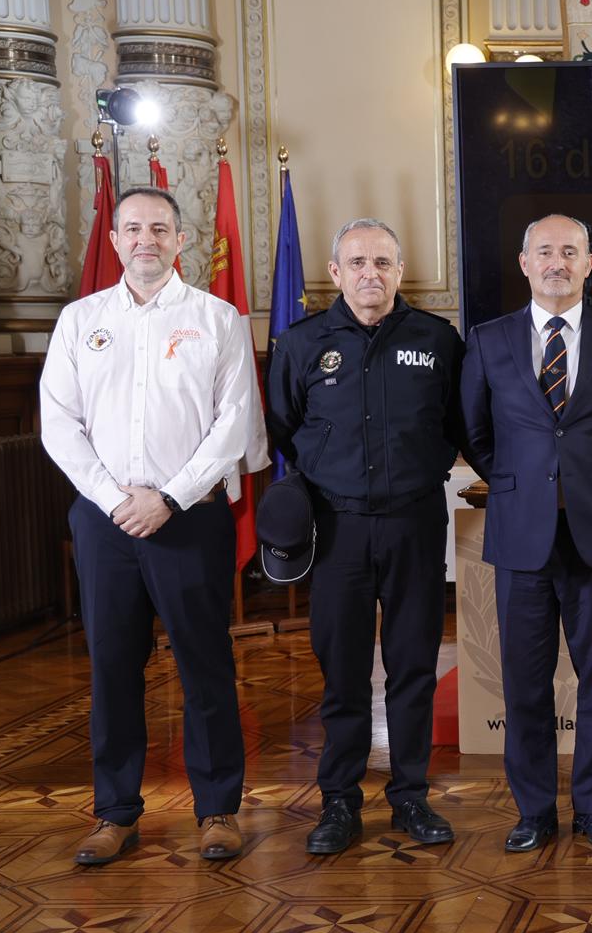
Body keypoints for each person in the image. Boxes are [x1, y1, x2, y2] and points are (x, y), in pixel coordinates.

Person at [41, 186, 267, 865]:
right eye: (134, 228)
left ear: (180, 239)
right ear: (115, 240)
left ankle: (218, 808)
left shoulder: (217, 319)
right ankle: (115, 814)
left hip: (190, 520)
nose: (147, 239)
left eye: (160, 229)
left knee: (205, 666)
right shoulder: (80, 321)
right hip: (106, 522)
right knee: (113, 668)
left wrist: (168, 497)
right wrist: (116, 500)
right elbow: (58, 423)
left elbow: (234, 423)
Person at [461, 214, 592, 852]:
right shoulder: (488, 340)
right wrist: (520, 486)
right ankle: (534, 813)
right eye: (545, 252)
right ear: (524, 263)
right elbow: (474, 433)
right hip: (521, 538)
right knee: (525, 683)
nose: (558, 262)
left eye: (570, 252)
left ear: (589, 263)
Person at [265, 218, 466, 855]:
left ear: (400, 271)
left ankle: (410, 796)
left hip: (414, 523)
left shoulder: (437, 340)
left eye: (382, 262)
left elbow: (458, 423)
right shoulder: (302, 343)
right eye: (356, 263)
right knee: (344, 671)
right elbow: (283, 426)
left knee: (413, 667)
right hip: (337, 530)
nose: (369, 274)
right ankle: (340, 801)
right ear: (336, 272)